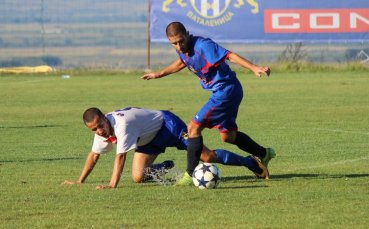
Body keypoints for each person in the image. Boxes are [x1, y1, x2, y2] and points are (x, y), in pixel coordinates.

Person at [141, 21, 276, 185]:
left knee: (193, 128)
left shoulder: (203, 45)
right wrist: (159, 74)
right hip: (227, 91)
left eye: (181, 41)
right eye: (174, 43)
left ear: (187, 34)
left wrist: (254, 67)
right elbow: (182, 62)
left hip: (225, 91)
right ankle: (263, 153)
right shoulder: (182, 50)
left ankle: (190, 174)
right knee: (228, 136)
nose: (178, 46)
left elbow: (229, 55)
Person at [62, 107, 269, 189]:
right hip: (149, 140)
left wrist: (111, 185)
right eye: (94, 129)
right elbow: (94, 156)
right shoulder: (102, 132)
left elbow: (120, 158)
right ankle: (165, 166)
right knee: (138, 177)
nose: (99, 131)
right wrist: (79, 181)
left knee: (206, 156)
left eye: (100, 125)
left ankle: (252, 162)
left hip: (168, 126)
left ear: (105, 118)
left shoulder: (121, 125)